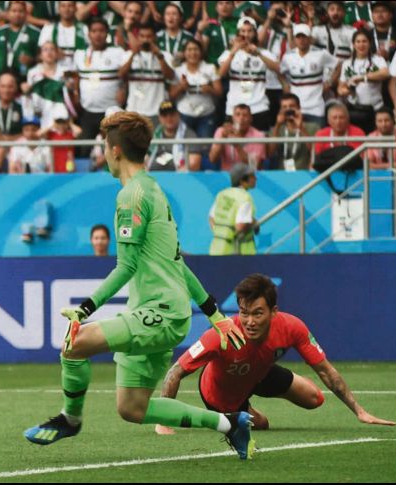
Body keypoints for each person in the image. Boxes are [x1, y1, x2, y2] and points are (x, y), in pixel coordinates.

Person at [23, 110, 253, 460]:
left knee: (74, 343)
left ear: (115, 150)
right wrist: (214, 313)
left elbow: (126, 265)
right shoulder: (154, 190)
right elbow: (178, 261)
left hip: (159, 312)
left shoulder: (131, 197)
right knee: (132, 407)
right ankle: (230, 424)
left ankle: (70, 419)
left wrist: (85, 308)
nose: (102, 153)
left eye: (104, 145)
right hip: (164, 311)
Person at [157, 273, 396, 434]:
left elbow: (326, 370)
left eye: (257, 313)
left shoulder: (292, 327)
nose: (249, 321)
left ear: (274, 312)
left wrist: (360, 411)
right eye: (244, 312)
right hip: (221, 392)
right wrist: (163, 421)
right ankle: (243, 410)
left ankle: (273, 381)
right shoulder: (219, 335)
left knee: (315, 399)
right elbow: (175, 371)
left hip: (259, 373)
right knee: (262, 424)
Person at [218, 16, 281, 132]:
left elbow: (278, 69)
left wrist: (258, 54)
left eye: (250, 31)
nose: (246, 35)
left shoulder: (264, 53)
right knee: (233, 145)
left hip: (259, 107)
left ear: (255, 33)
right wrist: (233, 52)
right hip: (234, 108)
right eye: (243, 31)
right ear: (238, 33)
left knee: (260, 145)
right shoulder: (228, 53)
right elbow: (221, 73)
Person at [74, 17, 127, 148]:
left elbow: (127, 76)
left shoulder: (117, 52)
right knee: (83, 150)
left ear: (107, 33)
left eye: (101, 31)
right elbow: (76, 76)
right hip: (87, 111)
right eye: (94, 31)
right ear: (89, 34)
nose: (98, 34)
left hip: (111, 111)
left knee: (115, 150)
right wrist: (76, 93)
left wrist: (124, 89)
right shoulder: (80, 54)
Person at [279, 24, 338, 127]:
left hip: (316, 106)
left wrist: (330, 83)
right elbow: (280, 71)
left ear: (309, 38)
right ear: (294, 39)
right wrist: (285, 85)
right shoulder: (288, 56)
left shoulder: (321, 53)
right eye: (298, 37)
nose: (301, 40)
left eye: (304, 36)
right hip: (295, 107)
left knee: (317, 137)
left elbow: (338, 65)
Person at [119, 23, 175, 127]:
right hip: (133, 110)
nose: (145, 40)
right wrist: (133, 55)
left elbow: (170, 76)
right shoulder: (128, 55)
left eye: (149, 36)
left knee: (154, 142)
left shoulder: (164, 55)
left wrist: (159, 56)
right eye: (142, 36)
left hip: (156, 111)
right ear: (138, 38)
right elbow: (121, 75)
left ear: (154, 37)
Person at [0, 0, 40, 95]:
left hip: (25, 83)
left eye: (20, 11)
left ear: (26, 13)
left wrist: (32, 60)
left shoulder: (35, 33)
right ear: (8, 13)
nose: (17, 14)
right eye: (14, 11)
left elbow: (42, 59)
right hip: (1, 83)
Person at [338, 29, 390, 134]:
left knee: (374, 142)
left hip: (375, 108)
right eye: (358, 41)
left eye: (364, 41)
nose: (361, 45)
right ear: (353, 44)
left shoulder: (377, 60)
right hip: (354, 109)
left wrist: (362, 78)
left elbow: (385, 73)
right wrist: (346, 90)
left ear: (370, 43)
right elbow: (340, 88)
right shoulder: (347, 64)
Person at [170, 38, 222, 141]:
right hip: (184, 114)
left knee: (205, 146)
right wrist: (181, 87)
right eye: (189, 50)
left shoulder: (210, 68)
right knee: (183, 146)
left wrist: (210, 89)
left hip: (206, 114)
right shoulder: (178, 70)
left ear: (201, 52)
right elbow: (171, 95)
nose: (193, 53)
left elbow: (219, 92)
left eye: (196, 49)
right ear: (184, 53)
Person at [209, 163, 257, 256]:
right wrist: (254, 223)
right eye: (252, 176)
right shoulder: (245, 198)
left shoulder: (222, 194)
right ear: (243, 180)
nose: (255, 178)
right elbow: (240, 226)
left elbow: (211, 218)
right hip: (236, 253)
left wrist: (221, 233)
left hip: (216, 248)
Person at [267, 93, 320, 171]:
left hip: (305, 173)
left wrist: (301, 128)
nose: (288, 109)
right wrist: (277, 125)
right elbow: (270, 153)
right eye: (284, 107)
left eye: (291, 106)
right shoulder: (277, 129)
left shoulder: (313, 127)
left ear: (299, 107)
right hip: (281, 173)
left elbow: (315, 152)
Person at [209, 104, 267, 171]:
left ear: (250, 119)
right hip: (227, 175)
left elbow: (255, 165)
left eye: (245, 115)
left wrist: (237, 146)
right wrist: (223, 138)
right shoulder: (222, 131)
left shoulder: (259, 136)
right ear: (233, 118)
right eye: (237, 115)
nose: (241, 118)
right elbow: (212, 159)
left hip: (249, 176)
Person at [148, 100, 201, 172]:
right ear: (160, 118)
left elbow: (194, 163)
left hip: (178, 177)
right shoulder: (154, 134)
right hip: (154, 176)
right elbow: (144, 158)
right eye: (165, 115)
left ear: (178, 115)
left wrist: (176, 176)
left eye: (172, 114)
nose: (169, 118)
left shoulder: (189, 135)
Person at [38, 1, 88, 66]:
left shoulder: (84, 28)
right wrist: (53, 53)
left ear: (75, 8)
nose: (66, 9)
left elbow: (91, 51)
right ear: (58, 9)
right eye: (63, 6)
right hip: (55, 70)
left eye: (70, 6)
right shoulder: (49, 28)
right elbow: (40, 54)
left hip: (79, 69)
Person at [40, 104, 81, 173]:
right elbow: (39, 134)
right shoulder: (52, 134)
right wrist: (52, 125)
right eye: (59, 122)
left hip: (69, 165)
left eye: (63, 122)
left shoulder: (70, 134)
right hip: (54, 165)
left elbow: (79, 131)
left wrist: (70, 123)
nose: (61, 125)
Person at [199, 0, 237, 66]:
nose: (224, 6)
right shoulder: (209, 26)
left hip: (235, 65)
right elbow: (202, 50)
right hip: (213, 66)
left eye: (228, 3)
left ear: (233, 6)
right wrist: (199, 32)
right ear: (216, 8)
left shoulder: (240, 23)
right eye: (221, 3)